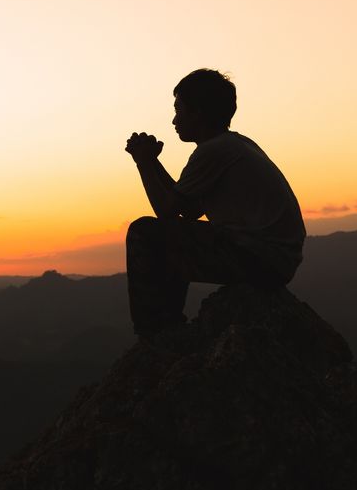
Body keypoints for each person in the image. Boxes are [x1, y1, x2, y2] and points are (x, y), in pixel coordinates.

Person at [124, 69, 305, 336]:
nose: (174, 120)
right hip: (274, 259)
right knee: (170, 237)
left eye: (179, 110)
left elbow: (166, 210)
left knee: (144, 233)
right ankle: (167, 324)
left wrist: (143, 162)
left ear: (197, 112)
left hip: (260, 259)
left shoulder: (213, 150)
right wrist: (152, 161)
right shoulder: (233, 144)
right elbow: (189, 209)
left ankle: (157, 331)